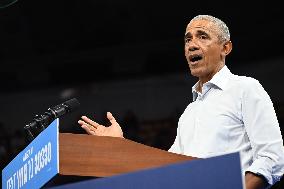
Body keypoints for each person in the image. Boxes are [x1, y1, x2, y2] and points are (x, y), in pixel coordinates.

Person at [78, 15, 284, 189]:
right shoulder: (189, 112)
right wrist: (121, 146)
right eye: (187, 40)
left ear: (226, 47)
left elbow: (271, 159)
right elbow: (167, 169)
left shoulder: (245, 88)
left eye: (202, 36)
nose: (192, 45)